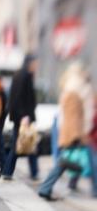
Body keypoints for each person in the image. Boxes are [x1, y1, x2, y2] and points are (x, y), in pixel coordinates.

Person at [38, 62, 94, 201]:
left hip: (69, 131)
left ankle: (46, 188)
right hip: (76, 132)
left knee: (64, 162)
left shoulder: (69, 88)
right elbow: (80, 115)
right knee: (88, 162)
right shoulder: (80, 90)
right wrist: (82, 134)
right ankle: (93, 189)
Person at [1, 54, 39, 181]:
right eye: (35, 63)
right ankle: (8, 171)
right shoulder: (24, 76)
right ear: (29, 63)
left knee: (27, 143)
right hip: (23, 118)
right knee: (22, 144)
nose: (36, 66)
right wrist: (24, 116)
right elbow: (17, 99)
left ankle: (30, 172)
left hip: (22, 117)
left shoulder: (22, 75)